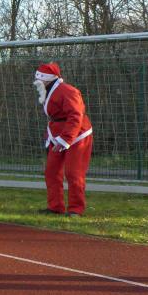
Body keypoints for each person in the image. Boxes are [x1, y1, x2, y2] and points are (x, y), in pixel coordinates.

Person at [33, 62, 93, 217]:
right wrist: (52, 138)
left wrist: (65, 139)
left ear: (48, 78)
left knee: (74, 172)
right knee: (52, 171)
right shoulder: (48, 91)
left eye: (40, 78)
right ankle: (55, 207)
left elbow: (75, 115)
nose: (37, 81)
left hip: (78, 135)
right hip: (57, 134)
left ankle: (76, 209)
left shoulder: (68, 91)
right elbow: (55, 118)